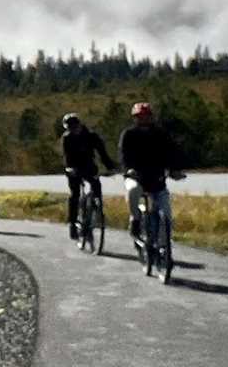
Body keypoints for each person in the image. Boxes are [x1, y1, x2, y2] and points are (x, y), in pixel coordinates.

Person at [119, 102, 183, 254]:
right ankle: (135, 219)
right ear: (135, 118)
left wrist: (174, 170)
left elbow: (172, 152)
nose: (143, 119)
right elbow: (123, 155)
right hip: (135, 176)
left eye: (146, 116)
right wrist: (129, 169)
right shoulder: (128, 134)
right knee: (133, 190)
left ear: (151, 117)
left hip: (157, 180)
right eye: (140, 117)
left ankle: (163, 250)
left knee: (166, 216)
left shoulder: (161, 134)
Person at [60, 113, 116, 240]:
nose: (73, 129)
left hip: (89, 166)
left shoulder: (91, 136)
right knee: (75, 194)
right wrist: (70, 168)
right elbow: (66, 156)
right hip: (73, 168)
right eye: (70, 127)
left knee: (96, 185)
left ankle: (97, 210)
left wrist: (110, 167)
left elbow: (102, 152)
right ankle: (73, 223)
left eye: (75, 126)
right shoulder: (67, 138)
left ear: (80, 124)